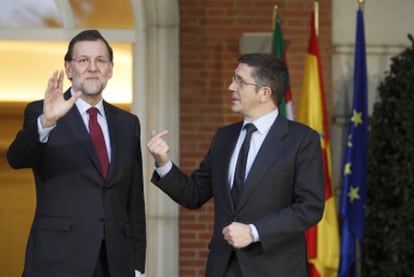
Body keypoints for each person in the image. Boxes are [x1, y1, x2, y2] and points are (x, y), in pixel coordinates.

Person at [147, 53, 325, 276]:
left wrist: (254, 232)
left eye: (240, 81)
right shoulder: (224, 137)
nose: (231, 87)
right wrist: (163, 163)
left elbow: (309, 208)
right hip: (222, 268)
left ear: (264, 93)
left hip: (275, 269)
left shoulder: (301, 139)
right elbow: (193, 194)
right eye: (233, 79)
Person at [7, 29, 146, 277]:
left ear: (110, 69)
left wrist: (137, 266)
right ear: (69, 69)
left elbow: (133, 200)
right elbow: (16, 159)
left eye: (100, 60)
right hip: (59, 259)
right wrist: (46, 122)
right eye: (83, 60)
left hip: (115, 262)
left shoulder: (128, 123)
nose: (92, 67)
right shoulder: (42, 112)